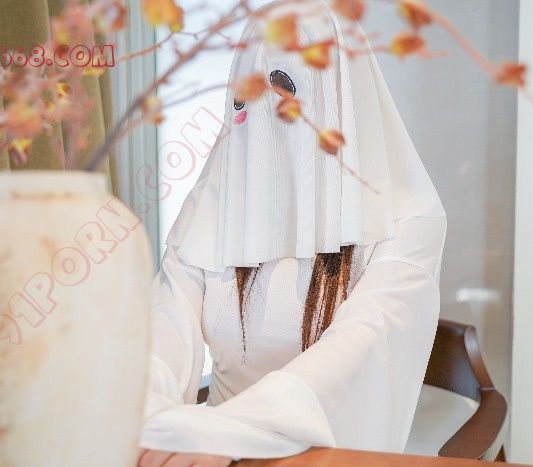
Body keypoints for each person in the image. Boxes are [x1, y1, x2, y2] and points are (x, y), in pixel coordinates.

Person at [138, 1, 446, 465]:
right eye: (244, 99)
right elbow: (163, 328)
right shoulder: (214, 209)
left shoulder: (407, 219)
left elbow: (359, 350)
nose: (259, 116)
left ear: (339, 98)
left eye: (284, 90)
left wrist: (222, 434)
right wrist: (146, 412)